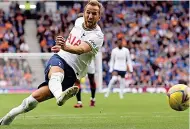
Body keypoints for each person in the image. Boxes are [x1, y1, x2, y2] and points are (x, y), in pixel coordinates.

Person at [0, 0, 104, 125]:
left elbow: (81, 49)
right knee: (57, 74)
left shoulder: (98, 36)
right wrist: (63, 48)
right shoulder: (78, 21)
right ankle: (60, 97)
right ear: (84, 13)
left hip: (73, 73)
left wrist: (66, 46)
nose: (90, 16)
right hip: (60, 58)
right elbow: (74, 39)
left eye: (94, 13)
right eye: (88, 12)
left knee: (32, 100)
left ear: (99, 16)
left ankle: (10, 115)